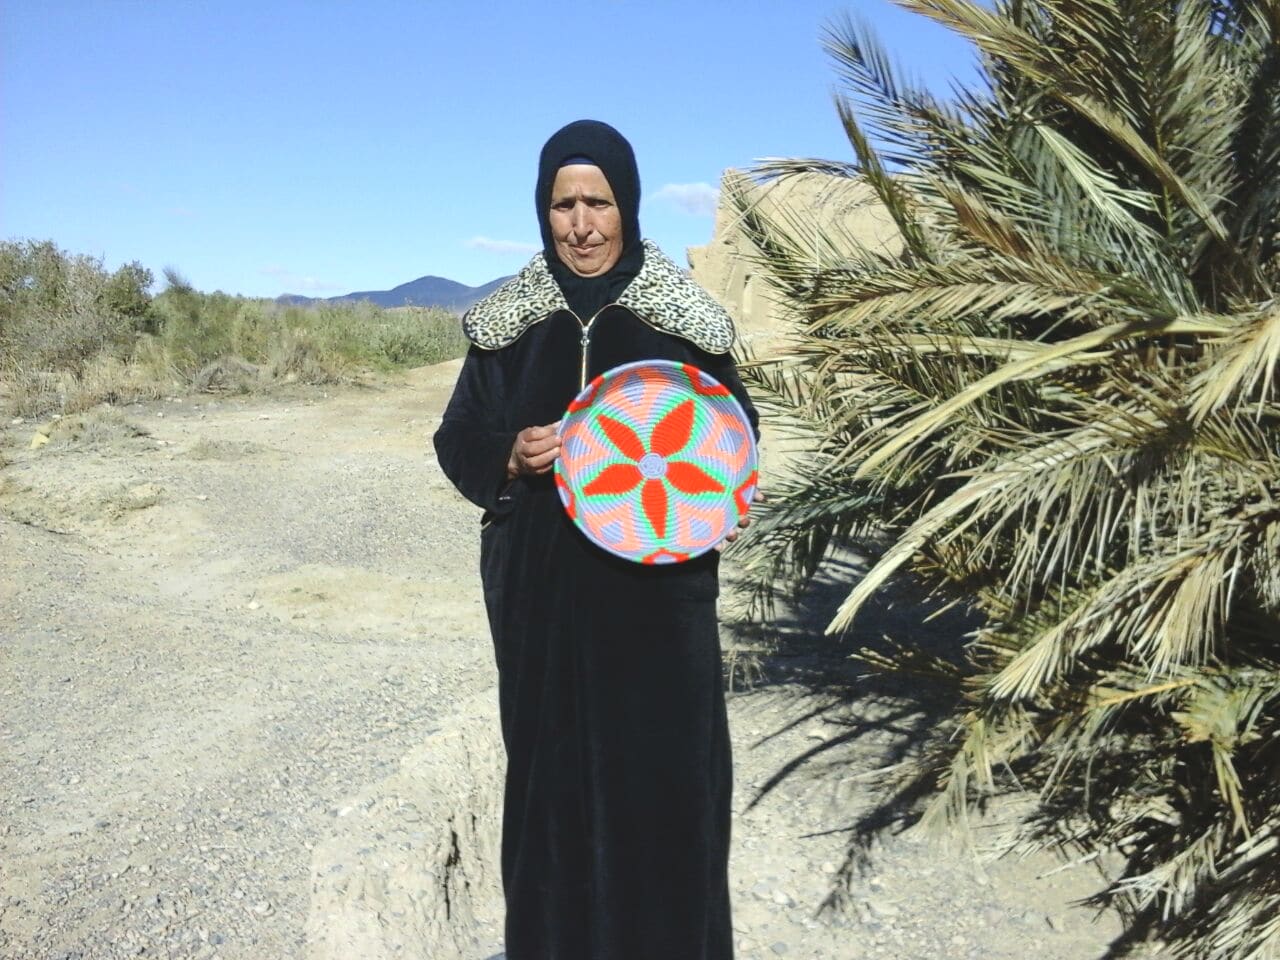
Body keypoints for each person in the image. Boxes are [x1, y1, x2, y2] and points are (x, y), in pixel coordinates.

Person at [434, 119, 757, 960]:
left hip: (660, 598)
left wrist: (726, 483)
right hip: (541, 597)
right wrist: (508, 452)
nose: (581, 224)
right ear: (542, 210)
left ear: (629, 203)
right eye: (562, 204)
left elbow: (733, 428)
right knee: (552, 793)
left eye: (598, 203)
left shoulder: (684, 317)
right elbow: (457, 439)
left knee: (668, 788)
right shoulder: (509, 322)